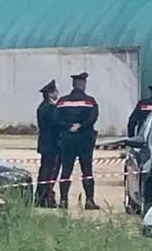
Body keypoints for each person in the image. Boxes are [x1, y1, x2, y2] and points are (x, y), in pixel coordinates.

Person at [55, 72, 101, 210]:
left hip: (68, 140)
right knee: (87, 171)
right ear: (83, 84)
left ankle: (63, 201)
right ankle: (89, 201)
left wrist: (69, 126)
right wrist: (81, 126)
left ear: (73, 85)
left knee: (66, 171)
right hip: (85, 141)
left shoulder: (62, 101)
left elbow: (56, 119)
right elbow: (93, 118)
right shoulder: (90, 101)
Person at [34, 79, 61, 208]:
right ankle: (44, 197)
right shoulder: (49, 108)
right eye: (55, 91)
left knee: (44, 170)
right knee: (48, 171)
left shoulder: (43, 106)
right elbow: (54, 125)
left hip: (45, 144)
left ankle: (41, 196)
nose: (57, 93)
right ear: (50, 94)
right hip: (51, 144)